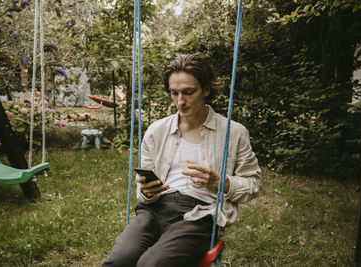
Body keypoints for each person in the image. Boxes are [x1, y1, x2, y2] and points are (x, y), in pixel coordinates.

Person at [103, 54, 261, 267]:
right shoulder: (156, 131)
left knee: (151, 265)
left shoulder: (234, 133)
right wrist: (147, 192)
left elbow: (253, 184)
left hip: (200, 214)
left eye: (188, 92)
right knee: (118, 261)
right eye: (174, 93)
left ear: (206, 90)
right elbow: (143, 191)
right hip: (155, 209)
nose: (180, 102)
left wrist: (219, 182)